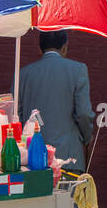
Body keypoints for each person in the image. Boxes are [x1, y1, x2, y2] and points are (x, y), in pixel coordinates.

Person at [17, 31, 94, 173]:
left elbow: (17, 116)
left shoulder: (23, 74)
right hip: (68, 157)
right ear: (65, 47)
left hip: (32, 158)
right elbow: (83, 113)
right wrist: (87, 137)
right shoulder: (78, 70)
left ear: (39, 48)